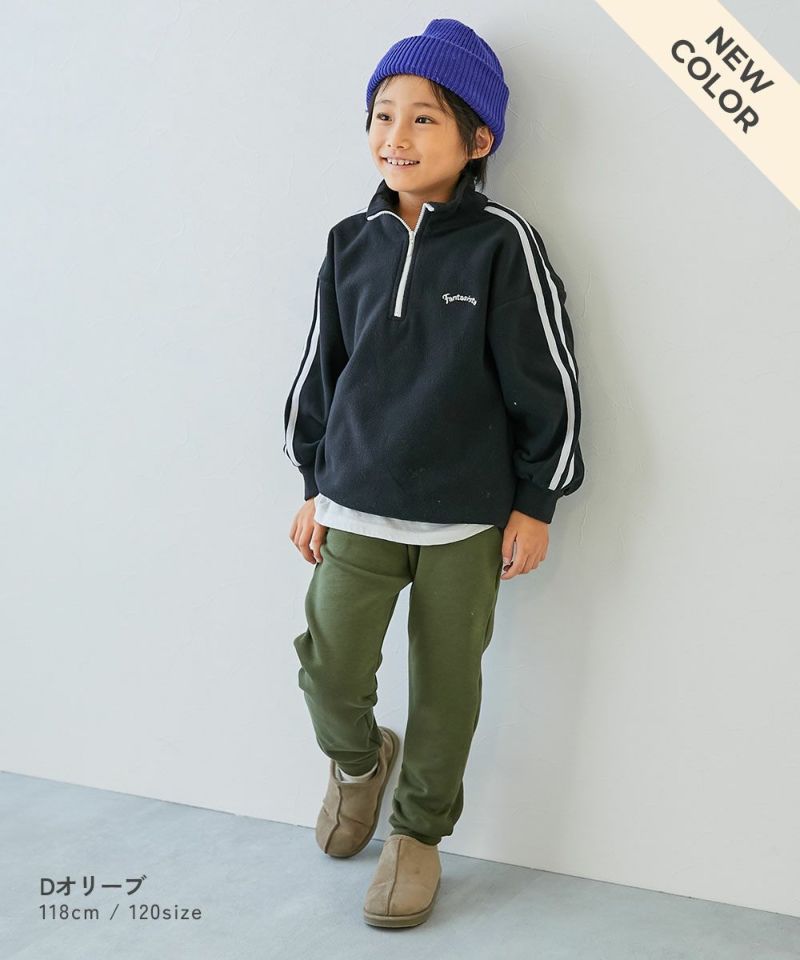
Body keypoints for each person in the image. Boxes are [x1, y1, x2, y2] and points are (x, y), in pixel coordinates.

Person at [282, 18, 585, 929]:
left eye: (424, 118)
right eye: (384, 115)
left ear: (476, 139)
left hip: (465, 520)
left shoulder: (503, 244)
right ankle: (359, 763)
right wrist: (311, 485)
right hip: (356, 503)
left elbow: (548, 378)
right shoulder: (350, 241)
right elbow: (321, 371)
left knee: (447, 693)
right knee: (329, 670)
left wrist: (536, 502)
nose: (397, 136)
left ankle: (417, 836)